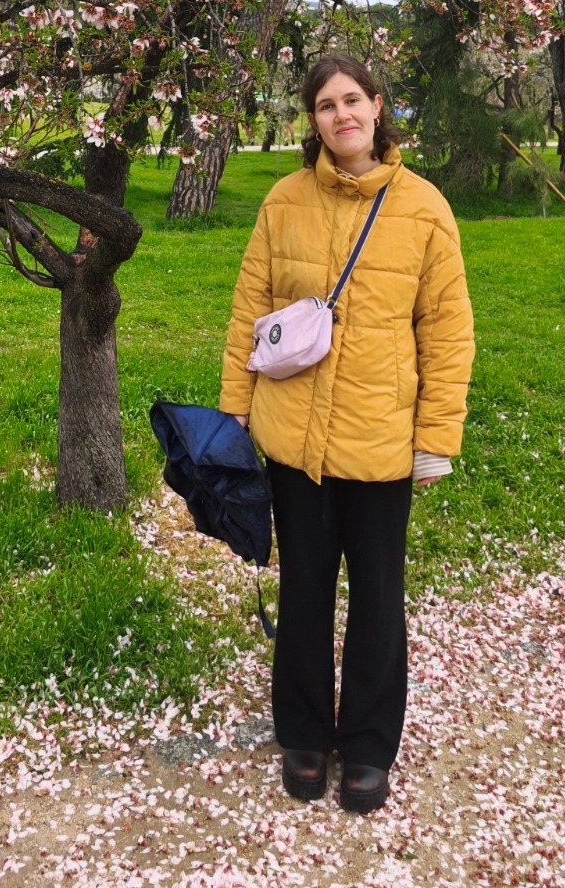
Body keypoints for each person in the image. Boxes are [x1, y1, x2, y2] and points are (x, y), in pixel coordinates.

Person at [219, 53, 475, 814]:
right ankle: (302, 731)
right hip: (292, 439)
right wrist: (235, 411)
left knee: (376, 599)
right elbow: (249, 311)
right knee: (302, 590)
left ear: (377, 106)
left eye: (352, 100)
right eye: (326, 106)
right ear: (314, 121)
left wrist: (437, 435)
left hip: (381, 442)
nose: (341, 116)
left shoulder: (423, 206)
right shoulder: (283, 200)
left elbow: (448, 330)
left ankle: (367, 746)